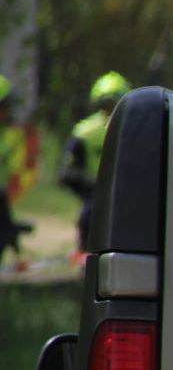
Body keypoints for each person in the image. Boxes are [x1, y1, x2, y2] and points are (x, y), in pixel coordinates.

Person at [61, 71, 130, 252]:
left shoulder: (133, 128)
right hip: (94, 199)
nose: (109, 109)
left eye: (114, 104)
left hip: (126, 197)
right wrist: (90, 188)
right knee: (89, 217)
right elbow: (68, 173)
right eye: (106, 104)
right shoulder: (84, 133)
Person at [0, 74, 35, 262]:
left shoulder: (10, 136)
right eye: (4, 106)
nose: (7, 111)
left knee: (6, 233)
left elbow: (17, 168)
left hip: (1, 194)